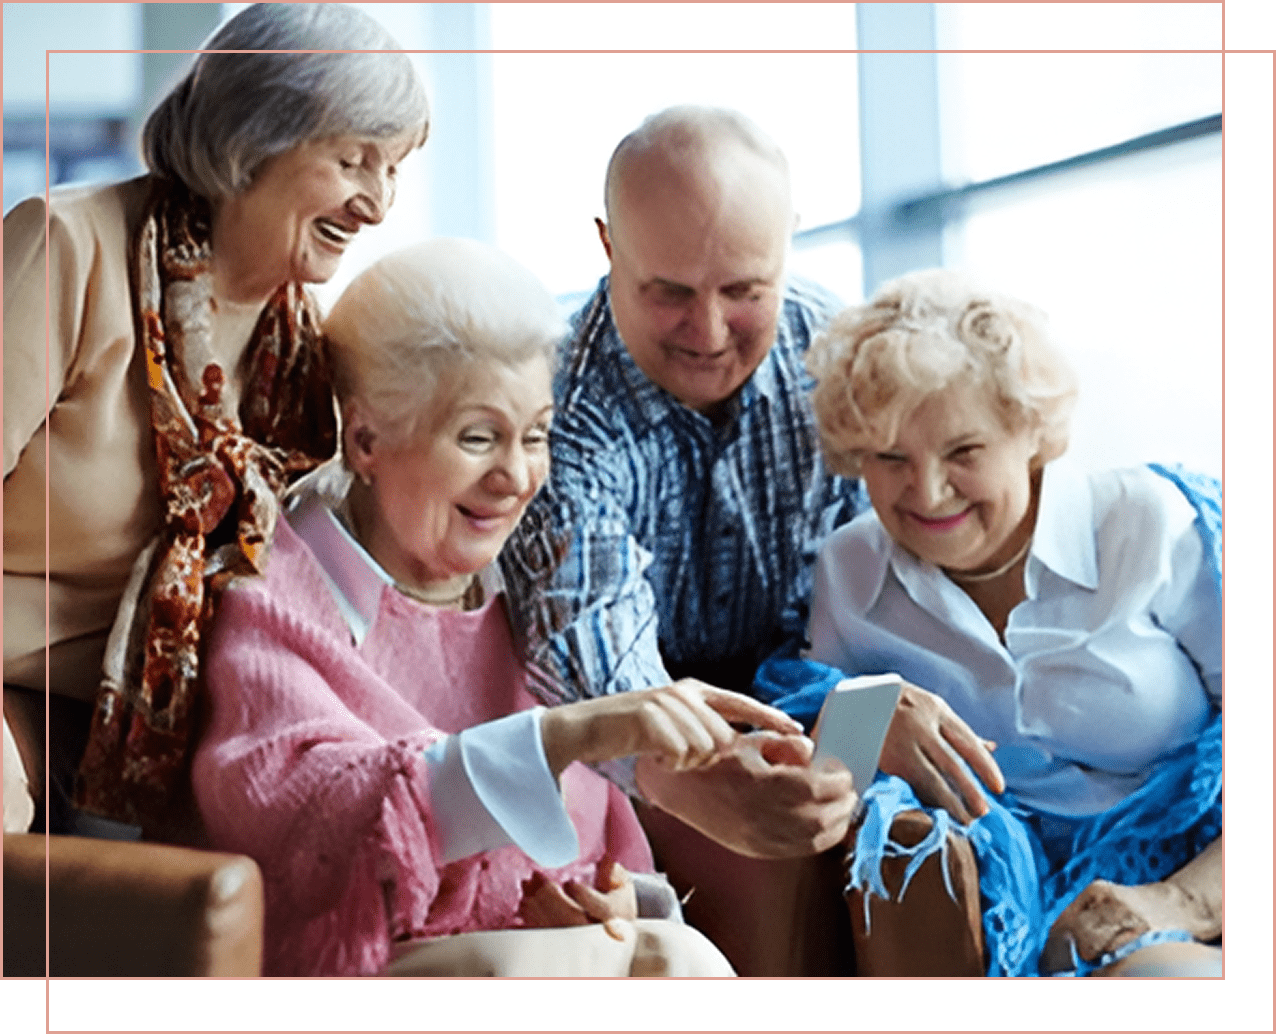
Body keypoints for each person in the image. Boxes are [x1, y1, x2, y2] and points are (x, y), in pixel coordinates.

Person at [192, 239, 786, 976]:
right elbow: (308, 823)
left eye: (535, 436)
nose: (515, 476)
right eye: (479, 438)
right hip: (366, 964)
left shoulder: (533, 592)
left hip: (539, 958)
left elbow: (605, 861)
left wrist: (614, 902)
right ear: (367, 438)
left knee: (673, 951)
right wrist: (565, 733)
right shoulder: (282, 592)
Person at [500, 106, 1002, 859]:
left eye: (744, 289)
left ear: (788, 240)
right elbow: (592, 655)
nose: (707, 333)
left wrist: (851, 721)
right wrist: (688, 776)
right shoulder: (550, 405)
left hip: (831, 709)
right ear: (608, 246)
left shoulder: (841, 363)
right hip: (632, 773)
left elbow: (906, 596)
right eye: (668, 292)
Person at [2, 3, 429, 836]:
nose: (376, 204)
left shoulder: (310, 350)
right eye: (352, 161)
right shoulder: (70, 250)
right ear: (255, 138)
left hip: (183, 723)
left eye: (395, 170)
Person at [803, 269, 1222, 976]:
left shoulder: (1150, 523)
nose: (928, 491)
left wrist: (1180, 901)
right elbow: (823, 760)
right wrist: (867, 719)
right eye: (890, 458)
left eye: (963, 452)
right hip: (1008, 919)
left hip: (1196, 884)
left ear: (1030, 433)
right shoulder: (849, 568)